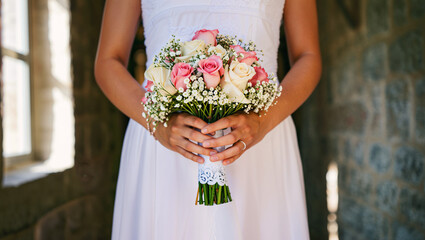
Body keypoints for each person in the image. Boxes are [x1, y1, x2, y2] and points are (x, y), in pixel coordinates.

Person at [94, 0, 322, 239]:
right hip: (164, 144)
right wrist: (156, 123)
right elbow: (108, 60)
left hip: (260, 138)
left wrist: (263, 120)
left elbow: (308, 55)